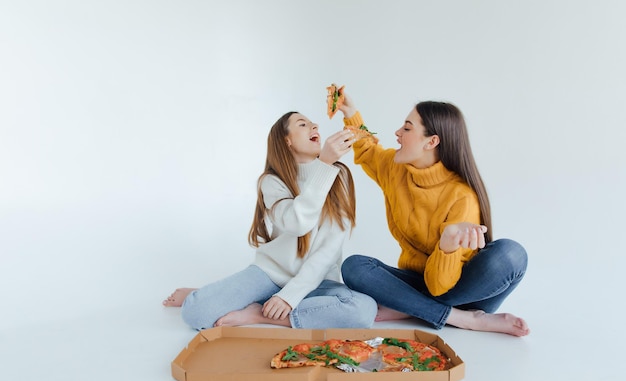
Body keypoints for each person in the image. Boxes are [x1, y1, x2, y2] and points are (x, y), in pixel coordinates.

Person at [337, 90, 530, 337]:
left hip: (459, 289)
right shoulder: (395, 169)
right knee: (354, 267)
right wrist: (351, 113)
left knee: (511, 254)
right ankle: (461, 318)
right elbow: (366, 149)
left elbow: (440, 287)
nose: (397, 133)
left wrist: (447, 245)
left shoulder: (462, 197)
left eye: (407, 129)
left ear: (431, 142)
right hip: (418, 283)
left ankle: (412, 307)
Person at [163, 111, 377, 330]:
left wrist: (290, 296)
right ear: (288, 140)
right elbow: (297, 224)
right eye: (303, 124)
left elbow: (329, 249)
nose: (315, 127)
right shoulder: (273, 181)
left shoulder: (338, 175)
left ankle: (260, 313)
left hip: (316, 281)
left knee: (363, 309)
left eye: (313, 124)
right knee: (197, 311)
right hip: (270, 275)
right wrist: (324, 164)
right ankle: (209, 294)